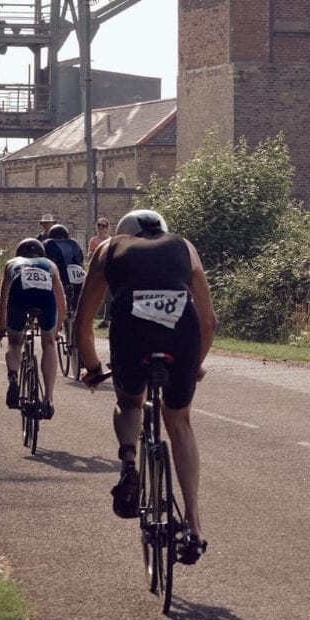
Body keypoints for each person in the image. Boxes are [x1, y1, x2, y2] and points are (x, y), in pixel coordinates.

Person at [76, 209, 216, 565]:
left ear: (123, 232)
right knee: (180, 422)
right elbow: (209, 321)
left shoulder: (108, 248)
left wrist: (93, 368)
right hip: (182, 332)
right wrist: (194, 363)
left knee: (129, 402)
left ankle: (128, 463)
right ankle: (194, 527)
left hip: (131, 331)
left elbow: (83, 322)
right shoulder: (185, 247)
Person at [0, 238, 67, 419]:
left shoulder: (11, 263)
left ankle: (13, 377)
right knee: (48, 344)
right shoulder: (50, 265)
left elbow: (3, 301)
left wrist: (2, 328)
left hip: (19, 295)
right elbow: (61, 302)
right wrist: (57, 330)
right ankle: (48, 399)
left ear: (19, 253)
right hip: (45, 298)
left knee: (14, 343)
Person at [42, 223, 86, 371]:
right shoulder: (74, 243)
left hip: (59, 279)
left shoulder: (47, 243)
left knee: (58, 305)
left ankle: (58, 327)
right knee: (77, 311)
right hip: (77, 280)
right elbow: (81, 260)